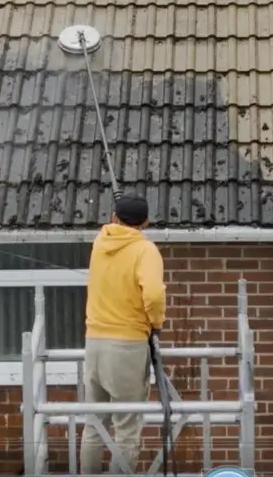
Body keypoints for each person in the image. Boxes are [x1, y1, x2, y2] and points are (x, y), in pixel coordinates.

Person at [79, 193, 166, 475]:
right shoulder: (145, 250)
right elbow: (153, 294)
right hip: (127, 345)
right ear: (146, 221)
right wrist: (156, 322)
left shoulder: (99, 243)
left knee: (94, 423)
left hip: (94, 342)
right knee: (127, 427)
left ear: (114, 217)